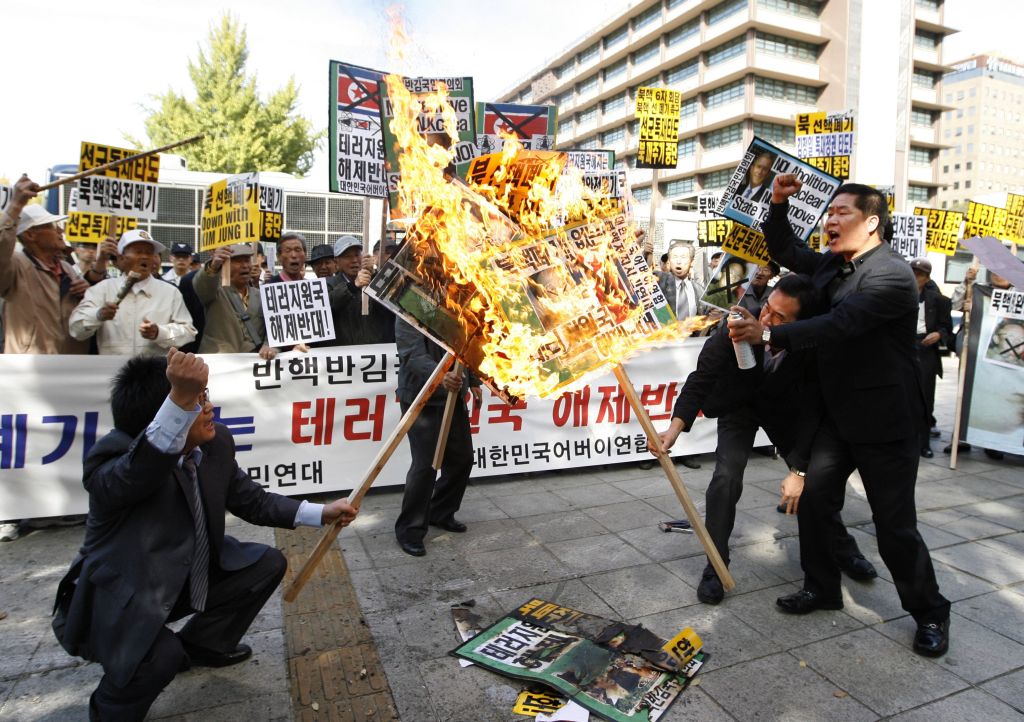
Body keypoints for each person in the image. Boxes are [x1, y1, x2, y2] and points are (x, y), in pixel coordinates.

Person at [51, 348, 357, 721]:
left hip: (181, 580)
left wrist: (320, 513)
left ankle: (203, 645)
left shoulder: (215, 444)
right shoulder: (113, 463)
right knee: (159, 657)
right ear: (165, 417)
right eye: (196, 401)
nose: (208, 408)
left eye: (205, 397)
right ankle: (110, 708)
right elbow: (141, 467)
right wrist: (180, 397)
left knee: (265, 563)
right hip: (117, 600)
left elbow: (252, 500)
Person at [728, 177, 951, 657]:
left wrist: (767, 337)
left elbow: (840, 324)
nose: (830, 219)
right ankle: (823, 588)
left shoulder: (891, 275)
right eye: (829, 211)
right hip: (838, 416)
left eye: (842, 212)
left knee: (894, 527)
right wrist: (779, 204)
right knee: (814, 503)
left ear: (871, 223)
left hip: (886, 422)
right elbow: (787, 249)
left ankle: (931, 612)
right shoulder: (835, 264)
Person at [650, 274, 875, 604]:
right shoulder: (739, 323)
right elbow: (701, 378)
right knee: (725, 478)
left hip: (786, 413)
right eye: (767, 309)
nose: (766, 319)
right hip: (738, 406)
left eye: (780, 318)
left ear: (802, 324)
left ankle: (843, 548)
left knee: (814, 486)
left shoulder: (813, 343)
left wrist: (798, 470)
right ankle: (715, 565)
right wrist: (674, 427)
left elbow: (816, 407)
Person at [394, 318, 481, 556]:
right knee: (425, 466)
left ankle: (441, 512)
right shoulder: (407, 305)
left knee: (462, 458)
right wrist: (441, 376)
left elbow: (467, 344)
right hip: (422, 397)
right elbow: (412, 354)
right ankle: (409, 530)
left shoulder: (456, 303)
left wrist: (473, 381)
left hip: (453, 397)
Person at [0, 175, 91, 354]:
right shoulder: (15, 266)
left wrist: (86, 292)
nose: (60, 230)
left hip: (71, 365)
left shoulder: (66, 268)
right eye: (51, 225)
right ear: (30, 235)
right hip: (29, 366)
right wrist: (16, 206)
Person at [69, 229, 197, 355]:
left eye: (149, 252)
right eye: (138, 251)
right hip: (113, 371)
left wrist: (160, 332)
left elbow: (188, 332)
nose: (145, 256)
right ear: (121, 258)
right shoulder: (102, 290)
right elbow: (76, 329)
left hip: (154, 370)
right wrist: (98, 315)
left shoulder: (170, 292)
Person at [191, 243, 275, 358]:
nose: (245, 265)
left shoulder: (262, 295)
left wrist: (269, 345)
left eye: (247, 260)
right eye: (238, 261)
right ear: (225, 264)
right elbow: (202, 286)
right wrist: (213, 266)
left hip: (252, 366)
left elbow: (274, 329)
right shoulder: (216, 292)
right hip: (219, 364)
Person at [909, 258, 952, 458]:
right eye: (913, 272)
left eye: (919, 274)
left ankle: (923, 443)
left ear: (926, 278)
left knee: (925, 399)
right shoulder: (897, 296)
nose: (915, 277)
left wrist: (939, 334)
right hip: (903, 348)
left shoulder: (938, 300)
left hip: (926, 350)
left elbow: (947, 328)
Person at [316, 235, 391, 346]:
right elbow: (327, 305)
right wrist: (353, 286)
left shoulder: (372, 280)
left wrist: (374, 274)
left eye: (357, 255)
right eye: (347, 256)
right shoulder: (328, 283)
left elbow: (389, 306)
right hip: (343, 356)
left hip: (375, 355)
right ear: (336, 262)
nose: (354, 260)